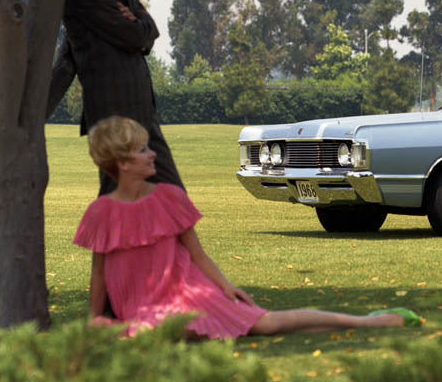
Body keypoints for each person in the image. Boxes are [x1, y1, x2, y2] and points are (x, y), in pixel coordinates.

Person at [74, 116, 420, 338]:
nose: (152, 154)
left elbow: (197, 255)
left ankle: (370, 321)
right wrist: (94, 319)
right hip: (141, 309)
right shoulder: (100, 212)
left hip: (185, 296)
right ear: (122, 163)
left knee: (266, 323)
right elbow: (99, 273)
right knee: (148, 335)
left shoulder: (169, 197)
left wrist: (226, 287)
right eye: (141, 151)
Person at [47, 0, 182, 196]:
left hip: (138, 111)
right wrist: (138, 24)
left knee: (168, 198)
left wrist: (138, 22)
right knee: (125, 200)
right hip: (115, 113)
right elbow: (134, 35)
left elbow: (149, 29)